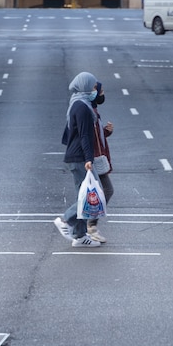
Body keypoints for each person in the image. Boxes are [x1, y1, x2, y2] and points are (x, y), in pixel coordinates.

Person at [54, 72, 102, 247]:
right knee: (92, 195)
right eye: (93, 87)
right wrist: (88, 158)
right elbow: (84, 135)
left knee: (83, 194)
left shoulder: (78, 103)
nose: (95, 90)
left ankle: (80, 236)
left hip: (77, 156)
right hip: (81, 157)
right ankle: (66, 220)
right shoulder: (81, 107)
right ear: (85, 86)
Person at [87, 82, 114, 243]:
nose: (102, 94)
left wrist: (106, 132)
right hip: (92, 159)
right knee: (105, 191)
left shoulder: (93, 110)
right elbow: (86, 137)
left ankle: (88, 226)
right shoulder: (88, 110)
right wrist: (90, 158)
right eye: (101, 91)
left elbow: (95, 135)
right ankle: (89, 226)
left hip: (95, 158)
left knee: (97, 192)